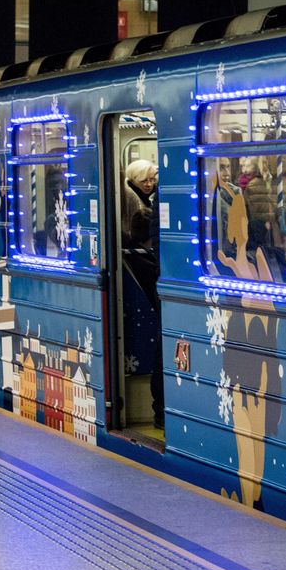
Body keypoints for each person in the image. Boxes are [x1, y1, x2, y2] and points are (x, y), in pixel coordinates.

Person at [122, 158, 162, 427]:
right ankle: (161, 411)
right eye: (144, 180)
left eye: (152, 180)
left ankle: (160, 412)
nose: (149, 185)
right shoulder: (134, 202)